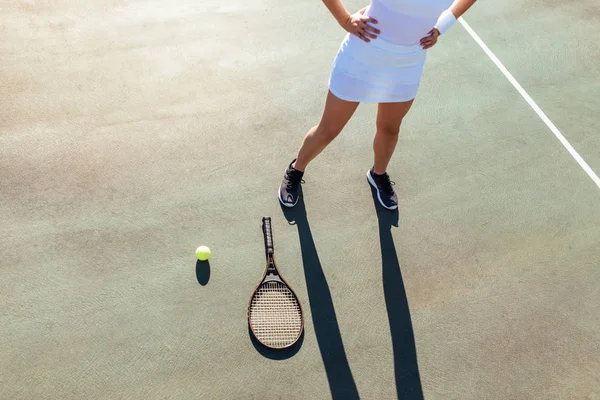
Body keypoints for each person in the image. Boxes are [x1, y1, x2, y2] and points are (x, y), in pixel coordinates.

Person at [279, 0, 477, 210]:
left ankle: (378, 175)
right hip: (364, 53)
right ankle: (296, 169)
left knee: (390, 128)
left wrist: (441, 26)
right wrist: (344, 19)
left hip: (408, 61)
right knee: (329, 129)